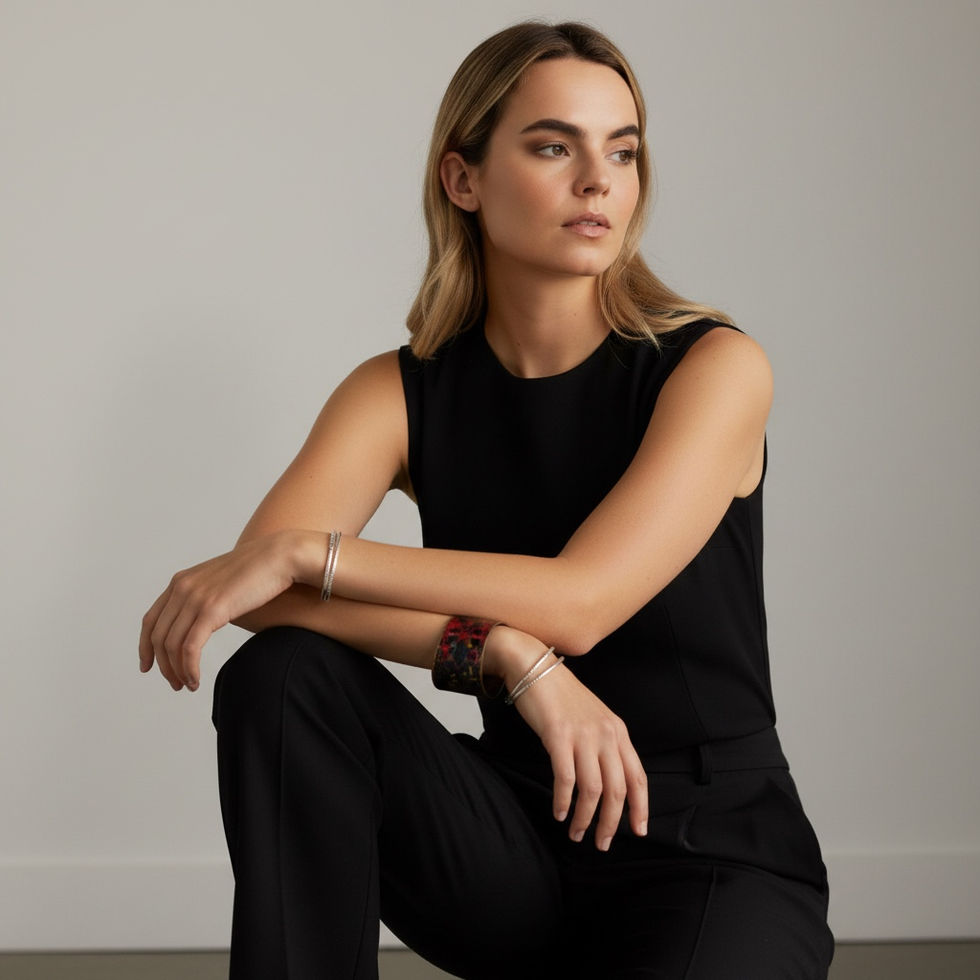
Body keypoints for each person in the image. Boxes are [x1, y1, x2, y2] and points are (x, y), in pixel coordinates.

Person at [139, 20, 834, 980]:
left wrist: (315, 553)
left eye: (621, 151)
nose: (599, 180)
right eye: (555, 145)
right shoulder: (400, 391)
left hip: (706, 852)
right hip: (516, 843)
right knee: (282, 676)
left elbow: (581, 602)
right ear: (462, 179)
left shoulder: (714, 368)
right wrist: (503, 656)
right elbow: (252, 601)